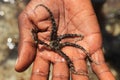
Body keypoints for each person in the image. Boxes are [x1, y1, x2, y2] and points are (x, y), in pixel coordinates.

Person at [15, 0, 115, 80]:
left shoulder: (58, 43)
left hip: (57, 42)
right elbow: (39, 40)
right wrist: (33, 34)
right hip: (55, 42)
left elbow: (70, 45)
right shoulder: (54, 42)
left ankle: (98, 12)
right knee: (55, 27)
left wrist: (78, 37)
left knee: (97, 4)